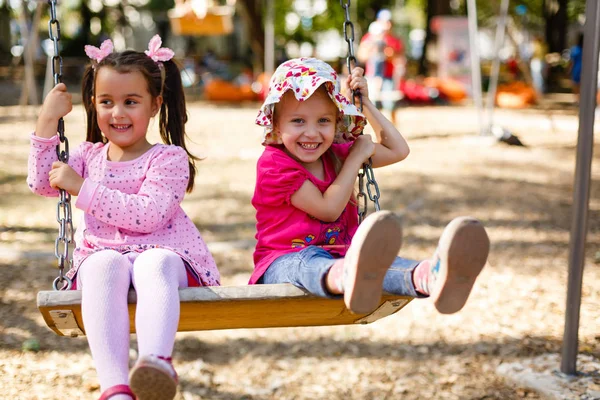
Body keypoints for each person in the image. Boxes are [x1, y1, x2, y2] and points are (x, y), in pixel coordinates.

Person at [27, 35, 219, 400]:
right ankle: (115, 388)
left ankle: (155, 363)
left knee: (154, 261)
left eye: (131, 102)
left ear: (155, 104)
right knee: (103, 264)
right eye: (106, 102)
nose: (117, 113)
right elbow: (41, 182)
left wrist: (82, 189)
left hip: (169, 257)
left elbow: (147, 215)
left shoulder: (168, 159)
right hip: (106, 259)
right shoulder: (87, 156)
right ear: (93, 104)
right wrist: (47, 120)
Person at [251, 57, 490, 317]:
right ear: (275, 124)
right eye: (298, 121)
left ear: (336, 121)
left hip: (344, 257)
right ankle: (346, 277)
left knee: (383, 267)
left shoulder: (335, 152)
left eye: (323, 121)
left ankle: (431, 277)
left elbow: (397, 150)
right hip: (281, 262)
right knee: (305, 264)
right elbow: (328, 210)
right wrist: (356, 157)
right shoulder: (274, 164)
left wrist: (366, 105)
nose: (312, 133)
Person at [357, 8, 405, 125]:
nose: (387, 25)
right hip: (373, 75)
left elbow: (399, 58)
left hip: (388, 75)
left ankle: (393, 128)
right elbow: (361, 56)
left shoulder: (394, 40)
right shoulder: (369, 38)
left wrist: (389, 53)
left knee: (390, 104)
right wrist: (371, 50)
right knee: (373, 104)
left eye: (389, 21)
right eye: (385, 21)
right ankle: (377, 130)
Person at [569, 33, 584, 102]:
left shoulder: (575, 49)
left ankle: (577, 98)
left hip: (576, 68)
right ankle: (580, 98)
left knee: (575, 84)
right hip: (583, 68)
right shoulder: (587, 49)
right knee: (581, 83)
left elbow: (572, 61)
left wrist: (569, 69)